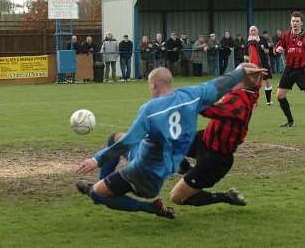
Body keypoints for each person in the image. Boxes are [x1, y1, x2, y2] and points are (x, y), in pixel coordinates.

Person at [75, 66, 265, 219]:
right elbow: (218, 85)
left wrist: (96, 159)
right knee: (114, 137)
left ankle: (151, 208)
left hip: (144, 172)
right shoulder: (191, 96)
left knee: (97, 194)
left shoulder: (150, 109)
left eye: (150, 86)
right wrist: (240, 71)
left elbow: (128, 142)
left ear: (154, 85)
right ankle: (178, 166)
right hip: (162, 158)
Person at [170, 63, 260, 207]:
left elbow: (210, 111)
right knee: (170, 139)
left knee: (176, 197)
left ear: (241, 80)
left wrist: (187, 100)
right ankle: (186, 167)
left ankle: (225, 197)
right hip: (205, 140)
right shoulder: (248, 90)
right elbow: (255, 76)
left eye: (234, 75)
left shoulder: (240, 102)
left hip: (215, 159)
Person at [275, 11, 305, 127]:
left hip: (302, 70)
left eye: (297, 21)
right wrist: (277, 49)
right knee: (280, 95)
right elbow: (278, 46)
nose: (295, 23)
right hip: (289, 70)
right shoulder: (285, 35)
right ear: (290, 22)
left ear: (301, 23)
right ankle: (290, 121)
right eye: (293, 21)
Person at [245, 26, 273, 105]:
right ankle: (253, 102)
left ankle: (268, 101)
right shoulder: (248, 42)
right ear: (249, 32)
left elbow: (267, 51)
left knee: (267, 81)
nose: (253, 31)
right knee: (253, 84)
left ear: (257, 31)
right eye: (251, 30)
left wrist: (261, 46)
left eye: (254, 30)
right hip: (253, 66)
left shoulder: (262, 39)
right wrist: (247, 65)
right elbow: (246, 56)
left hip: (263, 64)